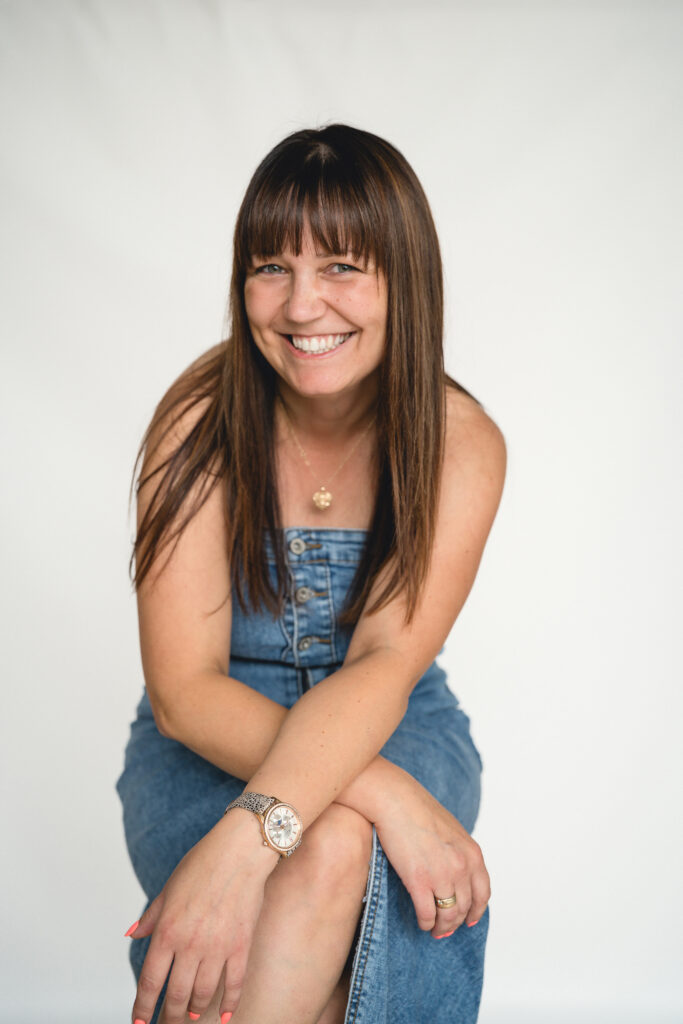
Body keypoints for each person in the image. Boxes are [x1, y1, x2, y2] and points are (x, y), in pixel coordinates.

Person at [115, 123, 506, 1024]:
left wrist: (246, 842)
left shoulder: (459, 443)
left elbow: (383, 664)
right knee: (335, 844)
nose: (300, 306)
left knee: (332, 852)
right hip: (211, 733)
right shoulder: (197, 424)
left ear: (404, 279)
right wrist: (378, 799)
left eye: (340, 267)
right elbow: (183, 694)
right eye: (270, 267)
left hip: (396, 722)